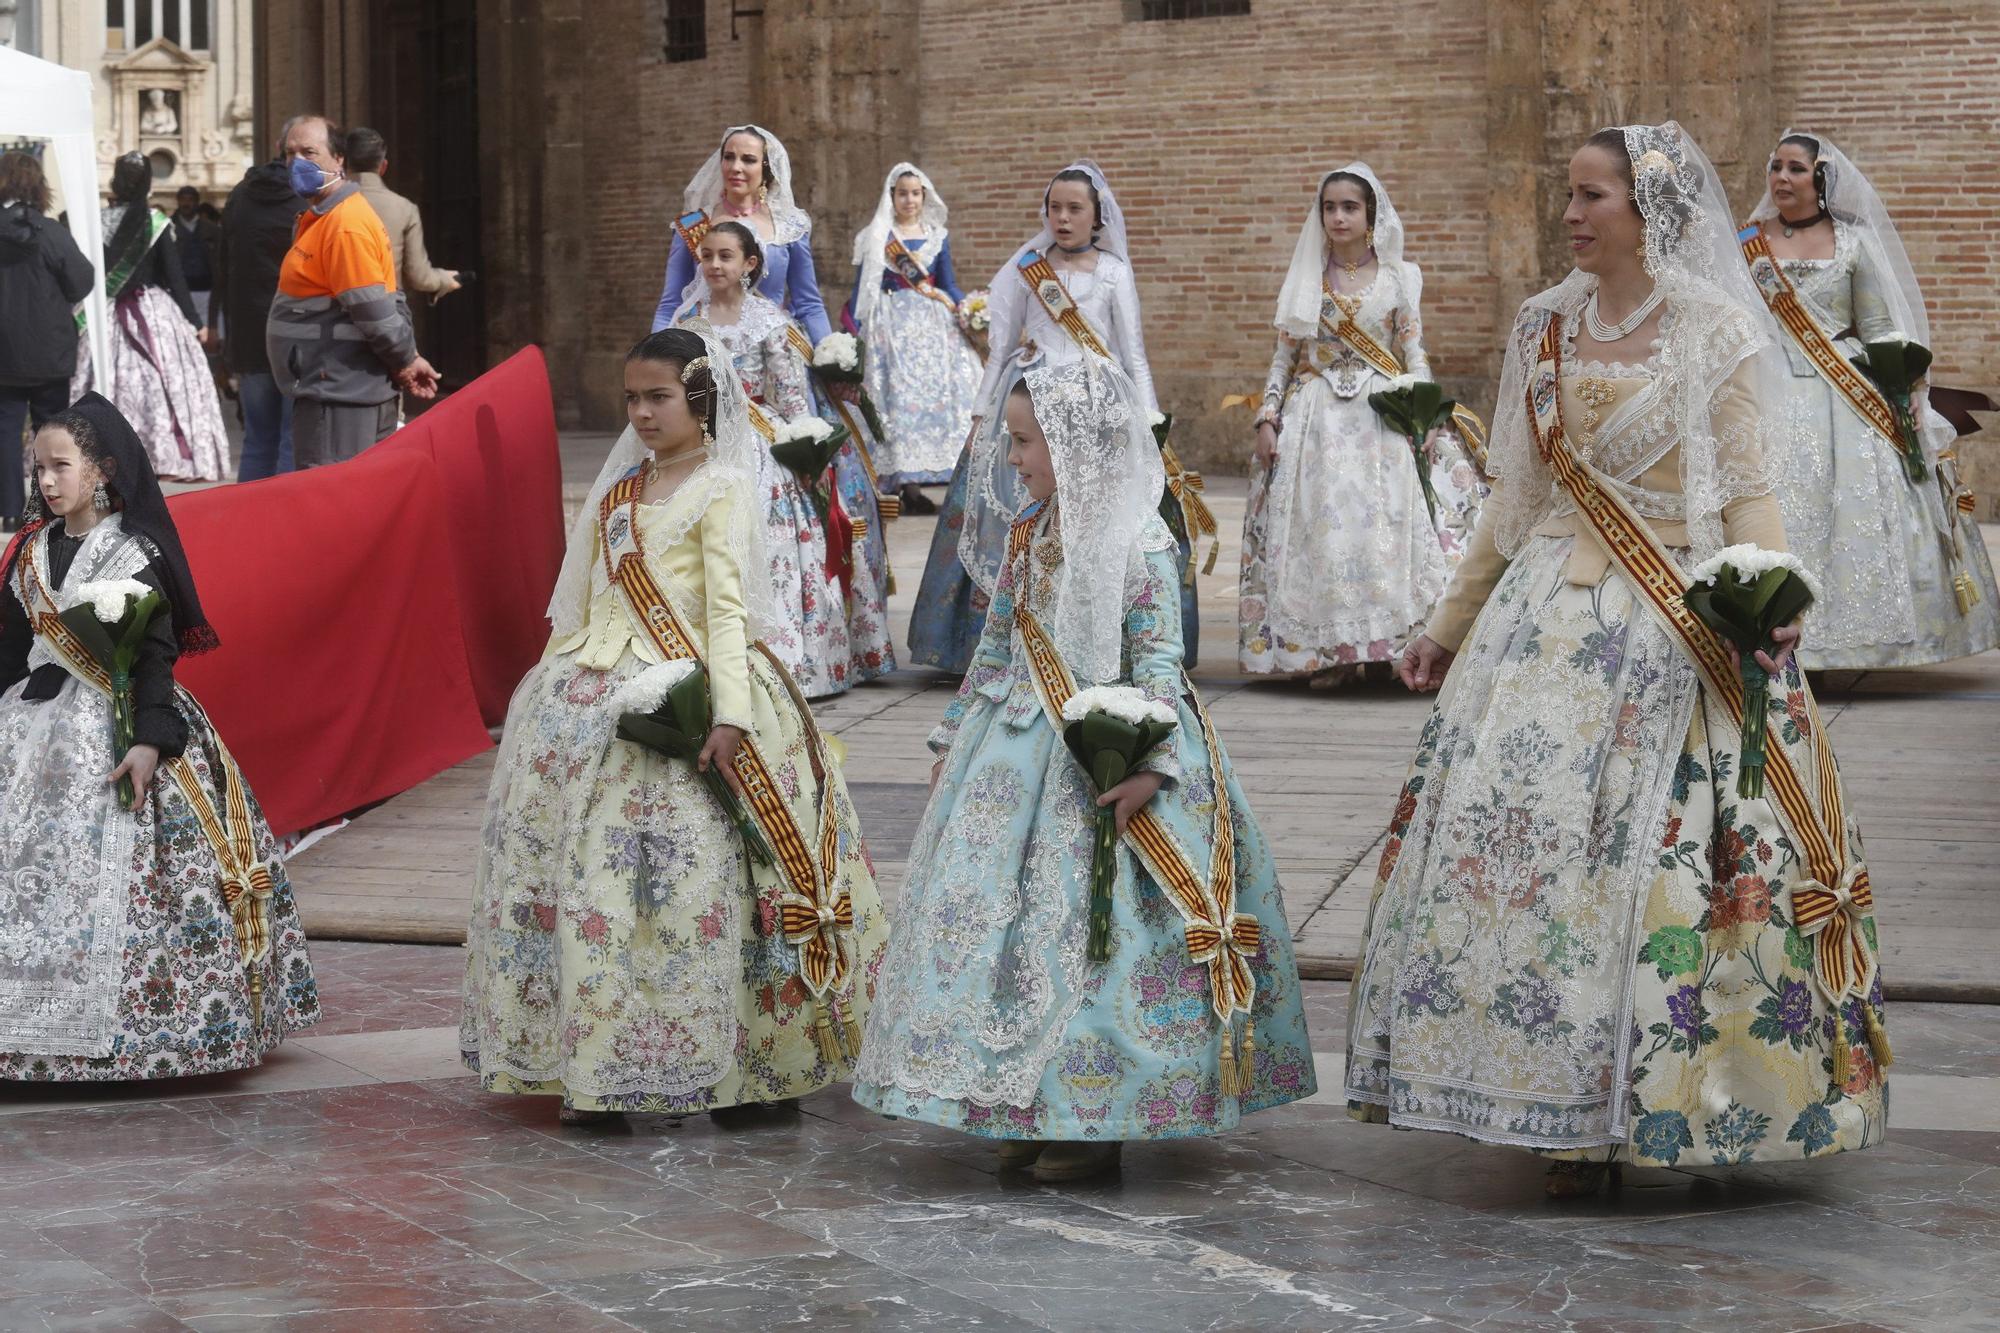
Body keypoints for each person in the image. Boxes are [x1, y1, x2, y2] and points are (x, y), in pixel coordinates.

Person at [1346, 124, 1889, 1196]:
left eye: (1590, 196)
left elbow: (1744, 489)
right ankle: (1541, 1103)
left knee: (1667, 867)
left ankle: (1682, 1104)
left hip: (1669, 624)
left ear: (1649, 211)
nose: (1570, 213)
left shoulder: (1711, 331)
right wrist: (1445, 625)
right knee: (1523, 853)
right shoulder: (1541, 327)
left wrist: (1768, 596)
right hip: (1540, 622)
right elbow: (1514, 500)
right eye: (1567, 196)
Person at [853, 360, 1315, 1182]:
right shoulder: (1031, 528)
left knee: (1097, 940)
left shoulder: (1141, 539)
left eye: (1027, 442)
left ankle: (1092, 1115)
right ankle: (1013, 1098)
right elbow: (997, 645)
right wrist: (952, 739)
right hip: (1013, 751)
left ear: (1077, 442)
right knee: (1004, 931)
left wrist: (1151, 767)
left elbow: (1163, 666)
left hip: (1116, 757)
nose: (1017, 459)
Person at [459, 324, 890, 1126]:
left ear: (699, 398)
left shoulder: (722, 487)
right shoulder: (621, 491)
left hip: (696, 692)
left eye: (658, 397)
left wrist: (730, 714)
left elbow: (726, 613)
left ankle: (749, 1067)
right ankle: (600, 1058)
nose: (643, 413)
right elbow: (583, 602)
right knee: (602, 886)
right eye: (633, 399)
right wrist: (548, 695)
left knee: (711, 878)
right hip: (595, 697)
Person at [0, 392, 320, 1080]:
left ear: (101, 471)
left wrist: (149, 738)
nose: (48, 481)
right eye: (39, 468)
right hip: (25, 730)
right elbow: (10, 648)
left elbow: (153, 653)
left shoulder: (131, 551)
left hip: (114, 728)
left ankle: (132, 1030)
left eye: (61, 466)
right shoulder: (29, 554)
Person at [1740, 131, 2000, 668]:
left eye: (1795, 169)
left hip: (1845, 396)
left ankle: (1849, 644)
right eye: (1775, 167)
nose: (1782, 179)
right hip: (1763, 390)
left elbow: (1879, 326)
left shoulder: (1853, 243)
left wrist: (1907, 396)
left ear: (1821, 179)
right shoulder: (1748, 243)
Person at [908, 162, 1159, 674]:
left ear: (1097, 217)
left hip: (1093, 407)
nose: (1062, 218)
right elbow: (1000, 350)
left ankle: (1088, 629)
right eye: (1054, 208)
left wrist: (1147, 417)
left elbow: (1132, 354)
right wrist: (981, 414)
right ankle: (993, 641)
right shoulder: (1026, 268)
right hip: (1025, 399)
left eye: (1075, 209)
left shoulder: (1114, 271)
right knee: (1009, 515)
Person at [1239, 164, 1485, 686]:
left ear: (1370, 215)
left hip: (1383, 416)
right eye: (1329, 207)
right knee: (1323, 534)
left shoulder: (1400, 278)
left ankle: (1386, 650)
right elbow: (1283, 359)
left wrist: (1424, 414)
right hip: (1317, 419)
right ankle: (1331, 654)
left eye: (1350, 207)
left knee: (1385, 530)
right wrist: (1268, 418)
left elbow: (1415, 356)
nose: (1338, 216)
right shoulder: (1305, 277)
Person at [675, 221, 852, 697]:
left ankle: (781, 658)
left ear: (749, 264)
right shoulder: (689, 320)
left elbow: (792, 397)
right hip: (705, 440)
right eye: (706, 255)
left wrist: (805, 449)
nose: (713, 264)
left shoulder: (770, 322)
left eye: (725, 256)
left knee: (768, 544)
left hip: (757, 444)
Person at [267, 114, 439, 468]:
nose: (297, 162)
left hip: (340, 393)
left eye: (310, 152)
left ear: (339, 158)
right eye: (290, 153)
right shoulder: (322, 218)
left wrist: (406, 360)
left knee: (331, 501)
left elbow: (373, 311)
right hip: (331, 388)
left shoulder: (345, 226)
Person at [72, 153, 229, 484]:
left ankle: (98, 454)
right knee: (162, 384)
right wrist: (194, 322)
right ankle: (162, 453)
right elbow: (175, 277)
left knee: (103, 379)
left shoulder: (96, 220)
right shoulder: (154, 221)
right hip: (152, 313)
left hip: (104, 314)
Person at [847, 162, 983, 514]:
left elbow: (947, 283)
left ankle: (952, 479)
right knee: (895, 400)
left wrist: (968, 310)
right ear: (891, 197)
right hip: (890, 328)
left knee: (947, 395)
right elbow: (862, 289)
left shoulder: (937, 235)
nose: (909, 199)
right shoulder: (875, 237)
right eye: (902, 193)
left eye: (915, 193)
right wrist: (854, 330)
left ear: (925, 197)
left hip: (933, 328)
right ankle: (905, 486)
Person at [650, 125, 831, 342]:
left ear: (766, 168)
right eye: (729, 157)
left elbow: (809, 304)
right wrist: (657, 357)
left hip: (773, 349)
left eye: (748, 159)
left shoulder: (788, 227)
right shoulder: (694, 225)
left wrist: (828, 358)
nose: (736, 167)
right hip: (706, 350)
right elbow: (671, 304)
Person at [0, 151, 93, 531]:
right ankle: (48, 504)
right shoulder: (52, 232)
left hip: (4, 350)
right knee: (51, 430)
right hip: (50, 348)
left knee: (4, 429)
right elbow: (81, 281)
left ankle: (8, 506)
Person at [218, 127, 308, 481]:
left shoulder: (240, 196)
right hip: (296, 329)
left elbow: (223, 266)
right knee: (291, 437)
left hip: (249, 331)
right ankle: (284, 527)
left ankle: (247, 525)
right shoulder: (305, 198)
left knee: (256, 438)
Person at [346, 128, 463, 304]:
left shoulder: (324, 206)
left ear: (341, 163)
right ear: (383, 166)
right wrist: (443, 279)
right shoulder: (404, 208)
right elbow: (419, 276)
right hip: (386, 311)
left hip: (335, 315)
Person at [171, 184, 221, 330]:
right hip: (179, 293)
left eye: (190, 199)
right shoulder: (168, 228)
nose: (186, 204)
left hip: (208, 291)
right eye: (183, 199)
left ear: (196, 202)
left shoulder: (212, 230)